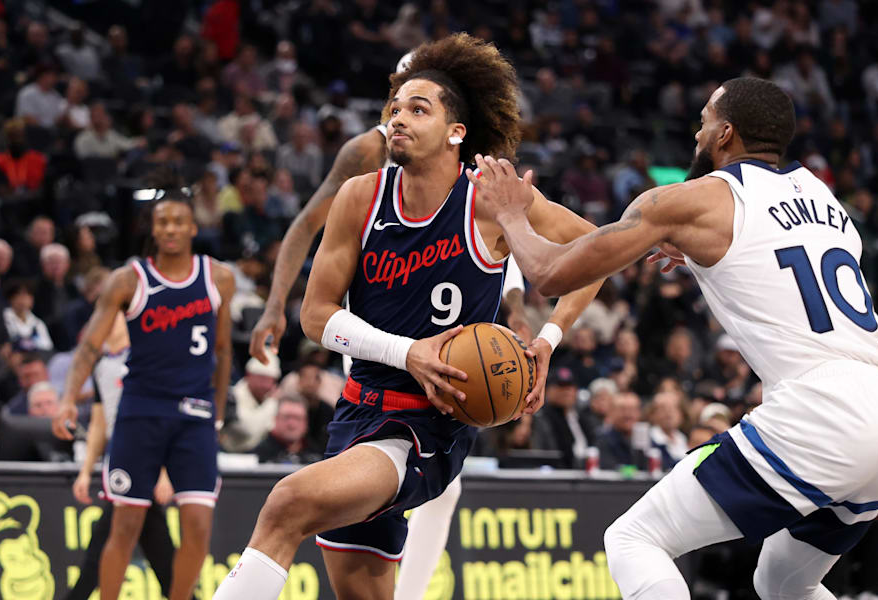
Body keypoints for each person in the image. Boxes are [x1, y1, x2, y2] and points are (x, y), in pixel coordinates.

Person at [470, 76, 878, 598]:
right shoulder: (824, 198)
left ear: (725, 134)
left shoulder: (689, 201)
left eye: (704, 120)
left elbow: (550, 273)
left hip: (822, 411)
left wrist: (510, 213)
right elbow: (778, 259)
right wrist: (699, 253)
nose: (696, 132)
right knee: (782, 582)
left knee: (634, 539)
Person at [214, 33, 600, 600]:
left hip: (426, 426)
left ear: (456, 132)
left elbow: (595, 253)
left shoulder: (488, 199)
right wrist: (407, 351)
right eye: (395, 108)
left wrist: (546, 340)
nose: (398, 118)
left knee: (287, 504)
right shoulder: (359, 196)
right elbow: (316, 317)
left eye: (418, 109)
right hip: (356, 410)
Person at [53, 184, 234, 600]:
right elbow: (89, 347)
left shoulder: (218, 278)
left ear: (193, 227)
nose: (170, 229)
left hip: (195, 415)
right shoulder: (128, 280)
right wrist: (67, 399)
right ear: (153, 228)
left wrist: (219, 413)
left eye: (178, 221)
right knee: (124, 527)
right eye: (162, 222)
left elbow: (223, 352)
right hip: (141, 412)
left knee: (198, 528)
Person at [66, 312, 175, 600]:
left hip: (145, 456)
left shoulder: (143, 357)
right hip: (121, 459)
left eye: (106, 316)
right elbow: (99, 424)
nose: (98, 323)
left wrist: (164, 472)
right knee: (160, 557)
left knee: (105, 550)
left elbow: (162, 416)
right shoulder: (102, 365)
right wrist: (85, 471)